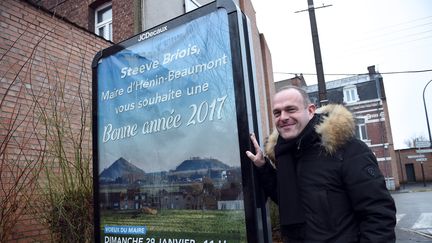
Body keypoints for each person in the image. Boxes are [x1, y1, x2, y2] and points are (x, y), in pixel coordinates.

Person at [246, 85, 396, 243]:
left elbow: (379, 216)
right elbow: (287, 199)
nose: (282, 117)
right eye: (277, 112)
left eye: (290, 109)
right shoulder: (285, 154)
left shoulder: (348, 150)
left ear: (310, 110)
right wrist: (263, 166)